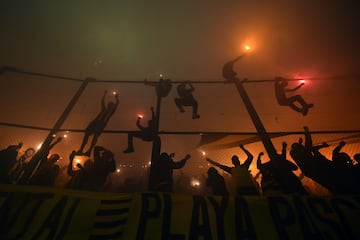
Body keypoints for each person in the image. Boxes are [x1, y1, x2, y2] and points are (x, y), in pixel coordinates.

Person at [78, 90, 119, 156]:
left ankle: (89, 151)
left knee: (95, 137)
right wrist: (104, 95)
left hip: (101, 124)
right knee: (87, 133)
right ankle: (81, 149)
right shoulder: (104, 109)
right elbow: (102, 102)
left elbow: (116, 104)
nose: (111, 106)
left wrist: (116, 98)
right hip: (95, 122)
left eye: (112, 105)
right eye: (110, 105)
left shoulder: (111, 112)